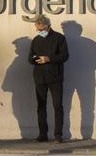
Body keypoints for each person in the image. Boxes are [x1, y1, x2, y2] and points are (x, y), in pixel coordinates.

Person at [29, 14, 69, 143]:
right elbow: (30, 58)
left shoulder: (59, 38)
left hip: (55, 77)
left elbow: (64, 56)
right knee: (41, 106)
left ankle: (58, 134)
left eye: (41, 29)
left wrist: (49, 58)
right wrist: (36, 59)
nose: (39, 31)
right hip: (40, 77)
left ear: (47, 26)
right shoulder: (35, 40)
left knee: (58, 106)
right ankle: (43, 134)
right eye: (37, 29)